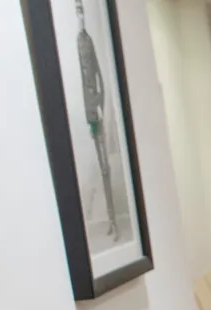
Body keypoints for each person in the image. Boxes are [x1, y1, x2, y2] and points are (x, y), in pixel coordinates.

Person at [76, 0, 118, 241]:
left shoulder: (87, 41)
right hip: (90, 113)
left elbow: (98, 75)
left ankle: (113, 219)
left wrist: (100, 104)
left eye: (80, 10)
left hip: (96, 110)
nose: (80, 16)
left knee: (105, 167)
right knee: (101, 167)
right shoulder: (78, 42)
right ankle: (111, 219)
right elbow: (83, 81)